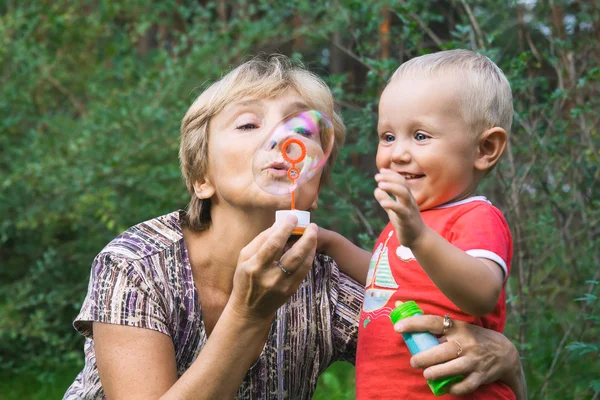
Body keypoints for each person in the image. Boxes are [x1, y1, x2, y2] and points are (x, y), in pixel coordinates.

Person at [63, 54, 526, 400]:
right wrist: (249, 313)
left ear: (315, 187)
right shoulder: (135, 264)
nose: (283, 140)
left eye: (303, 132)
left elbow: (422, 348)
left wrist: (508, 362)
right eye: (248, 124)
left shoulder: (323, 281)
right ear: (201, 177)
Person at [318, 49, 518, 399]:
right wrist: (333, 243)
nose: (397, 153)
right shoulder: (413, 223)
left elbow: (483, 293)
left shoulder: (475, 217)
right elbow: (391, 278)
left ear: (485, 149)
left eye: (421, 136)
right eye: (388, 137)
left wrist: (418, 237)